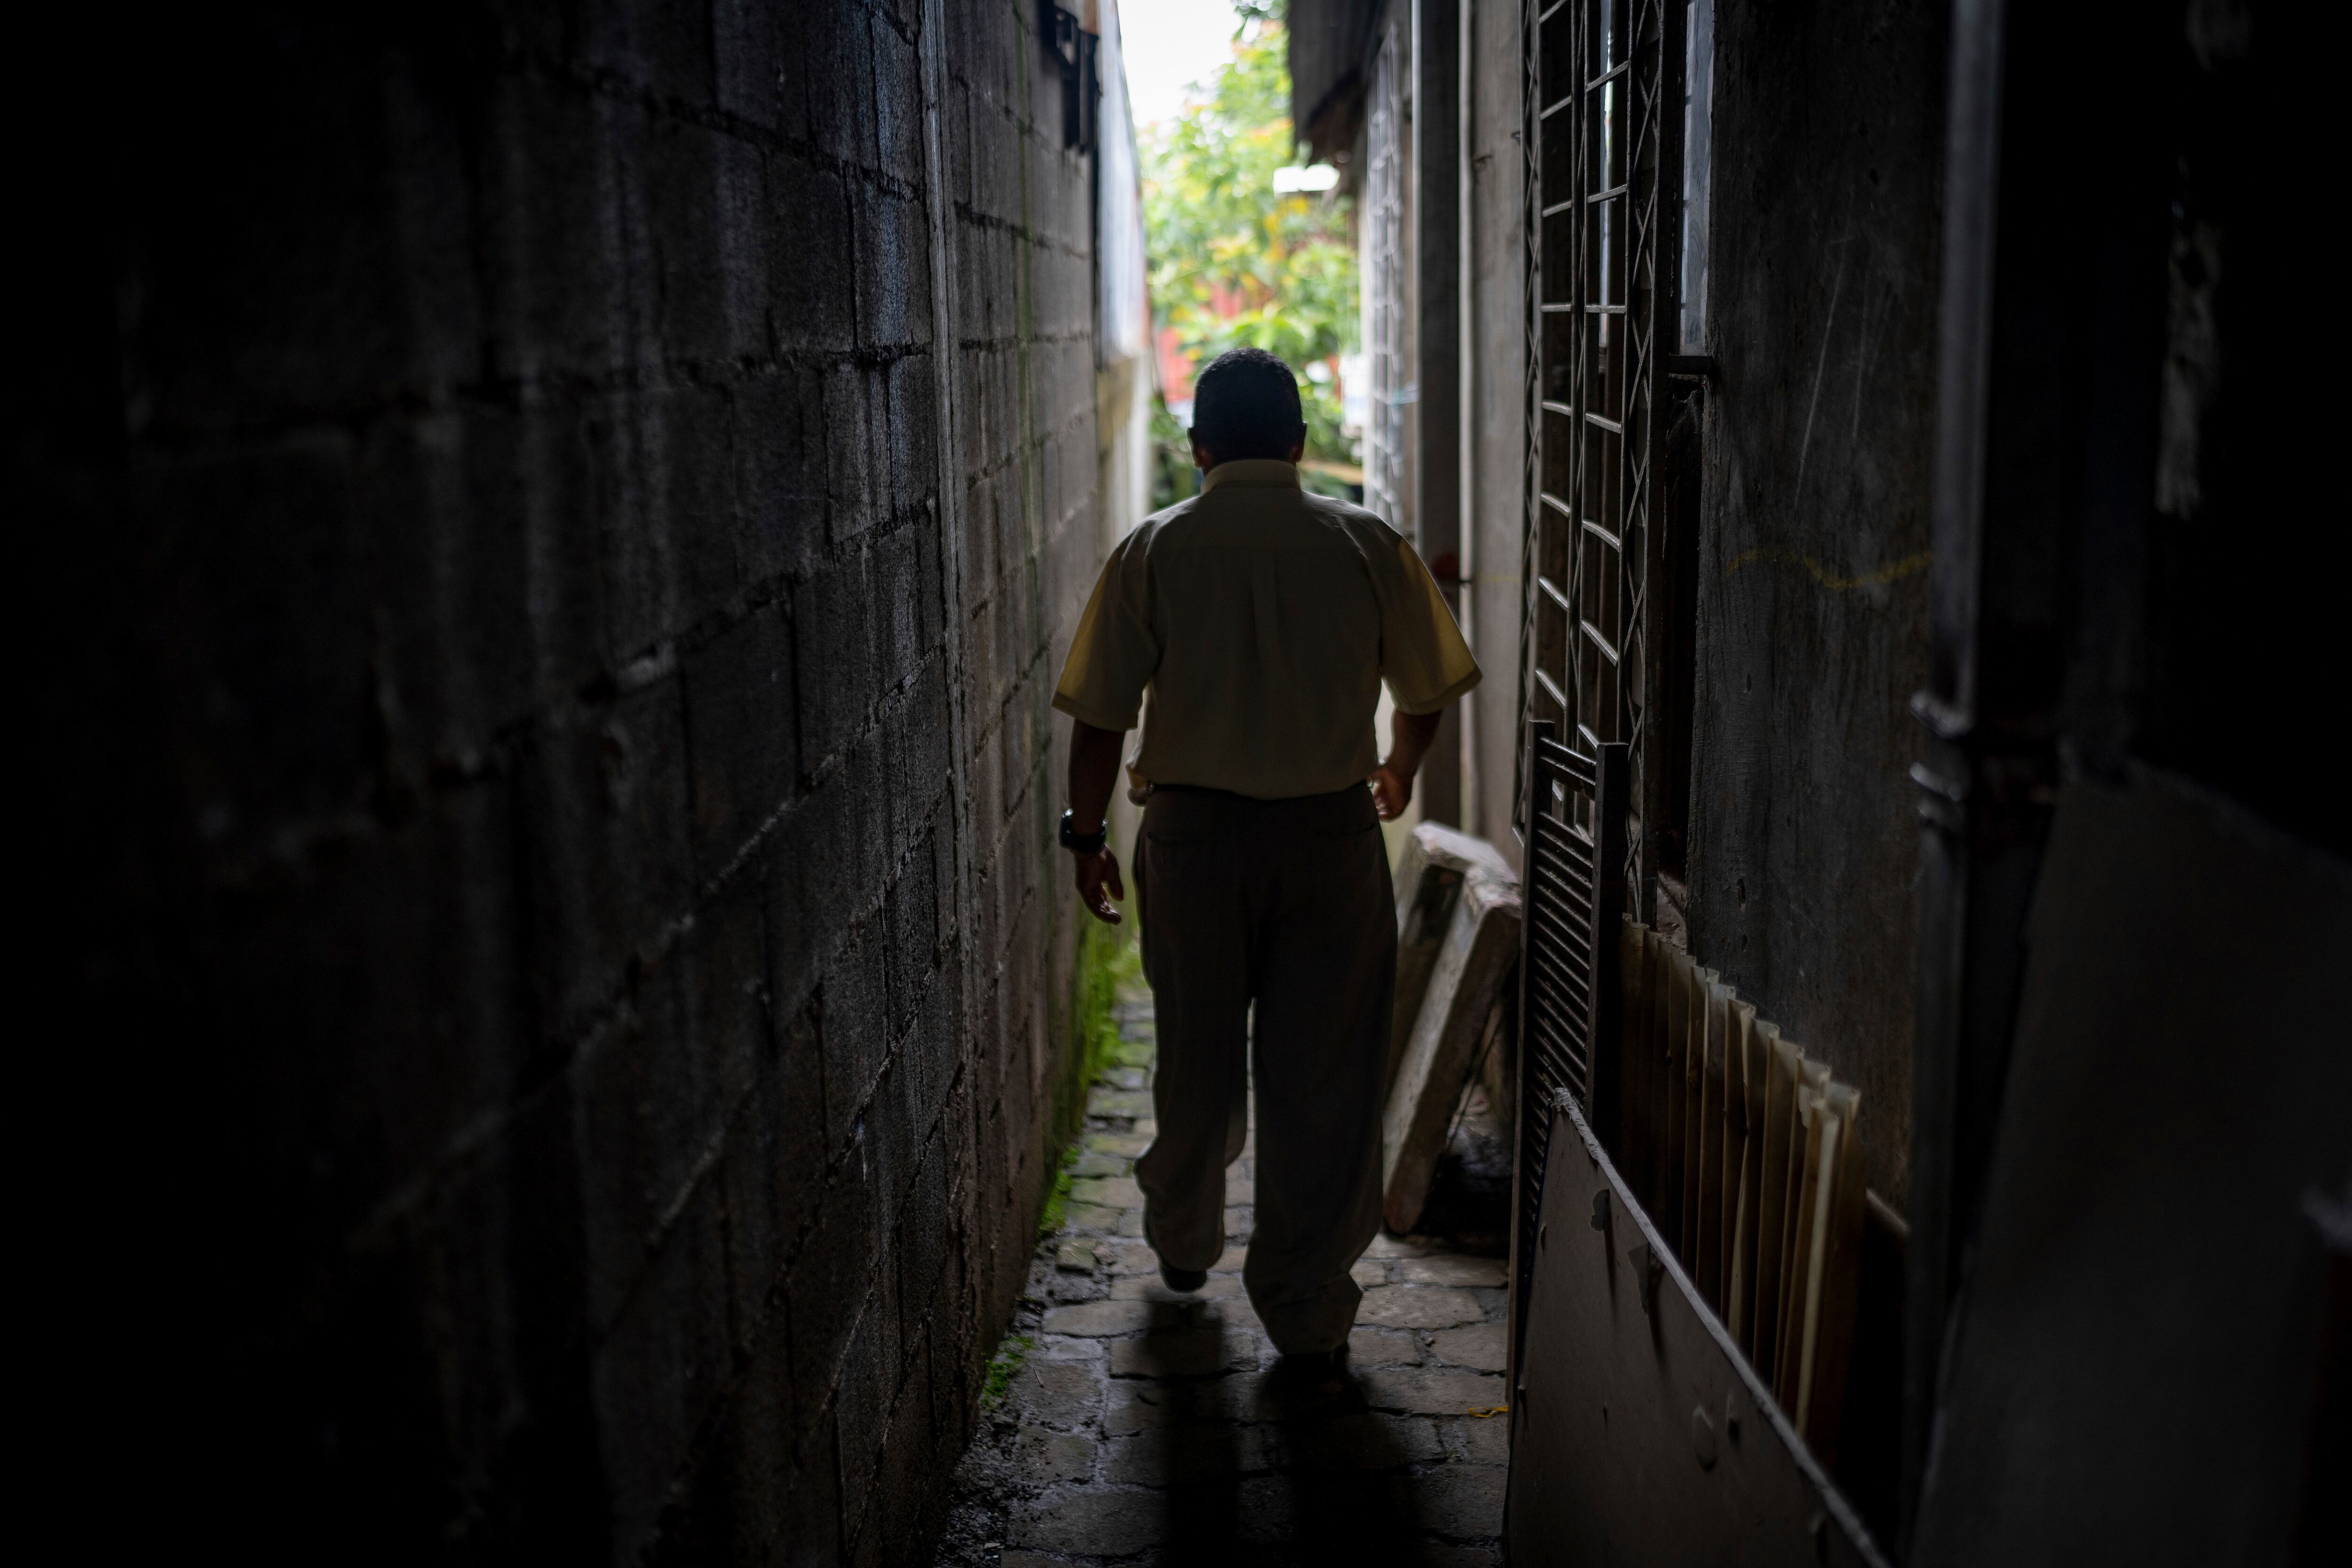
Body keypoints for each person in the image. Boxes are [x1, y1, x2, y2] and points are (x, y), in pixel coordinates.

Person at [1050, 346, 1479, 1373]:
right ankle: (1304, 1301)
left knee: (1194, 1053)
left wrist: (1085, 835)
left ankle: (1185, 1238)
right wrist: (1398, 768)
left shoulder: (1152, 548)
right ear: (1297, 443)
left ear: (1196, 447)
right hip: (1329, 843)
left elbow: (1102, 719)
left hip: (1193, 843)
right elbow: (1426, 688)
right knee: (1323, 1078)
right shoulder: (1367, 540)